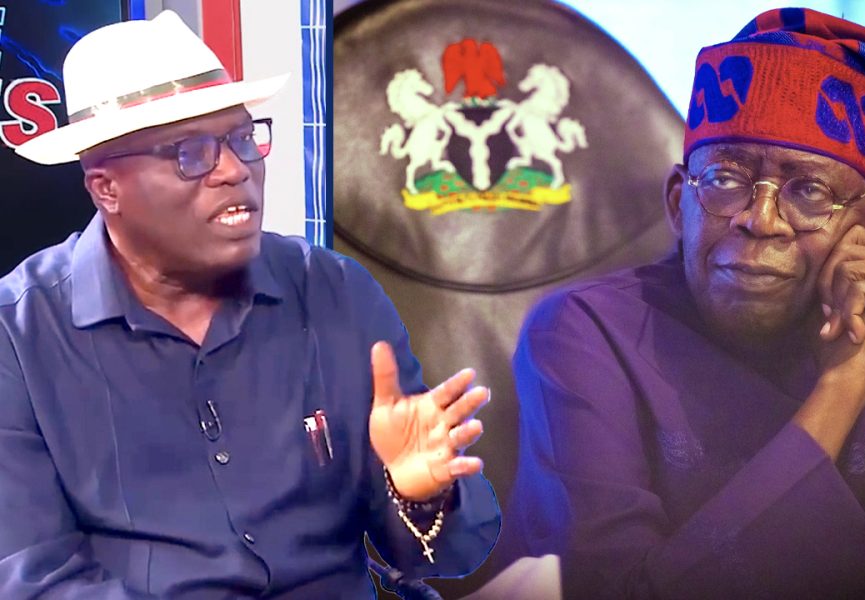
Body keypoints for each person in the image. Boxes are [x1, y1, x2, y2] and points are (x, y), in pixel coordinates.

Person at [501, 7, 865, 599]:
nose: (760, 220)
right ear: (678, 203)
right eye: (724, 180)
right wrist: (843, 389)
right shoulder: (585, 333)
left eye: (808, 191)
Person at [0, 11, 499, 598]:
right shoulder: (19, 337)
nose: (236, 170)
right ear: (107, 188)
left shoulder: (335, 291)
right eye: (190, 153)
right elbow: (34, 579)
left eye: (243, 138)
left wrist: (418, 495)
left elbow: (451, 551)